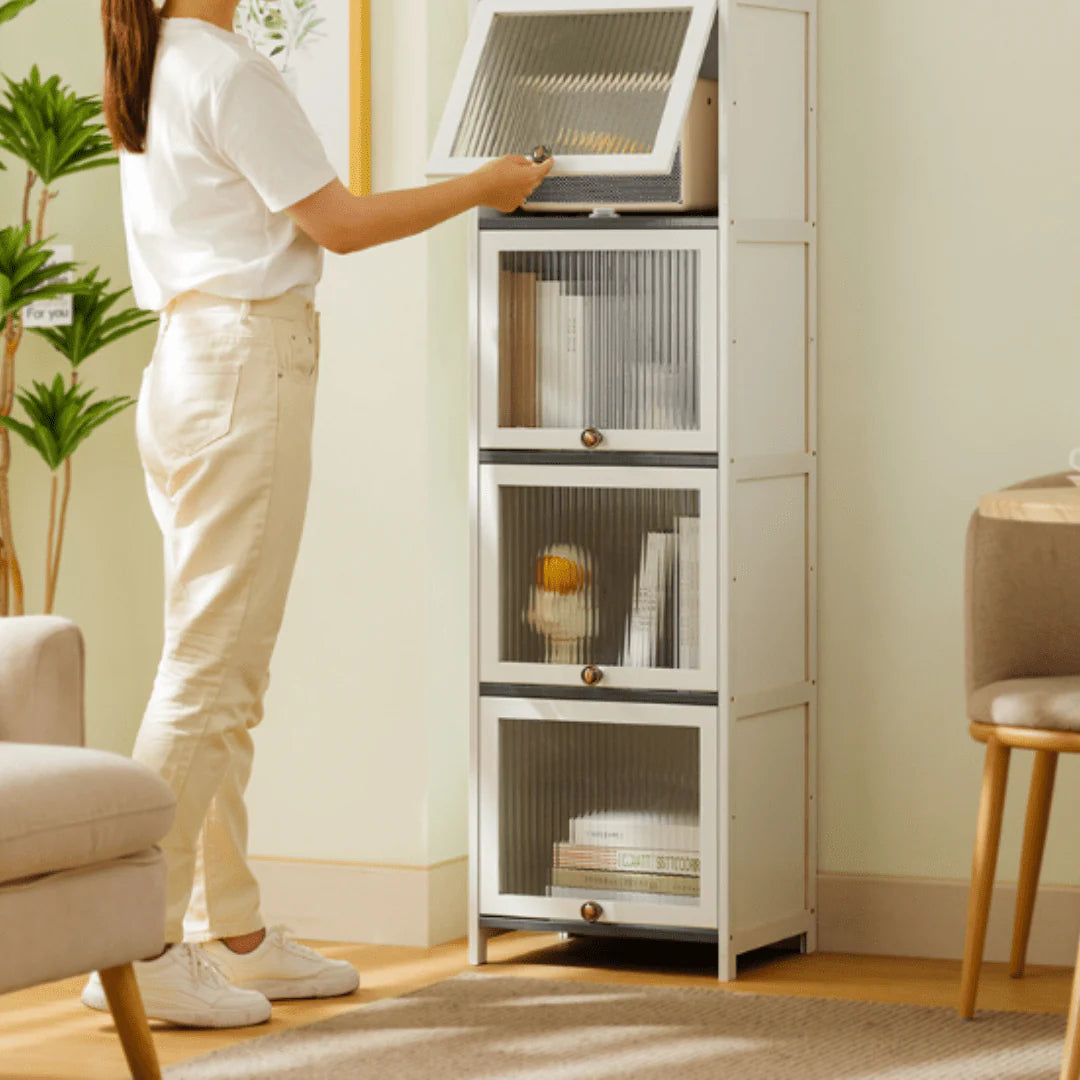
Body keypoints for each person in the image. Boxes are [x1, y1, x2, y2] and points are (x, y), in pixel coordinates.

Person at [84, 0, 553, 1030]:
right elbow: (339, 225)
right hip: (243, 368)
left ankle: (232, 930)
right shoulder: (222, 70)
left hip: (189, 370)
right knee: (212, 675)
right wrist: (484, 186)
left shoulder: (157, 62)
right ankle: (136, 945)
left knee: (213, 668)